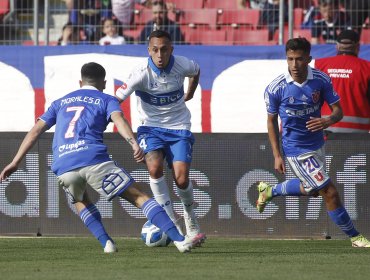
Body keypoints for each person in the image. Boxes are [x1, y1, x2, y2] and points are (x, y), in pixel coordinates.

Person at [0, 62, 205, 253]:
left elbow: (36, 130)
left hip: (63, 163)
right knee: (139, 197)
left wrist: (15, 161)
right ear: (104, 83)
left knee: (80, 199)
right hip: (92, 158)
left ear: (80, 82)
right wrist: (134, 143)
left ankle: (106, 243)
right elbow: (119, 119)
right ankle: (180, 239)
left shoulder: (59, 102)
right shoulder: (106, 99)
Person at [258, 37, 370, 248]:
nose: (294, 65)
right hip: (296, 149)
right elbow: (271, 121)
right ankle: (356, 237)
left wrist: (328, 119)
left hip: (317, 144)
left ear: (308, 58)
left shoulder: (321, 80)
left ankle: (270, 191)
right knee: (329, 192)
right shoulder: (276, 88)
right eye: (290, 59)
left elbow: (338, 112)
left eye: (299, 59)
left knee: (312, 189)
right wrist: (277, 154)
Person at [115, 30, 205, 245]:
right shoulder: (140, 73)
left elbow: (197, 70)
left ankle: (190, 220)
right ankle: (171, 221)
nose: (160, 54)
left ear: (171, 50)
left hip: (179, 127)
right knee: (154, 168)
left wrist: (191, 91)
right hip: (150, 128)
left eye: (164, 49)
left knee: (181, 179)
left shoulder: (182, 64)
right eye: (155, 50)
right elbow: (115, 99)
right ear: (149, 51)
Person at [315, 29, 370, 132]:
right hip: (358, 133)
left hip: (324, 130)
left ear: (337, 46)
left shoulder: (319, 65)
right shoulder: (367, 68)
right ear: (358, 47)